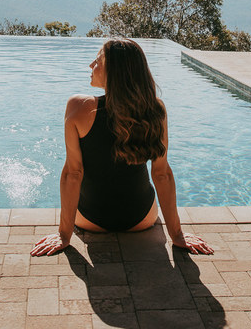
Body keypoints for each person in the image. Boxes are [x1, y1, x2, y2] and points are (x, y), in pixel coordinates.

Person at [31, 38, 213, 256]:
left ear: (113, 71)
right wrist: (177, 235)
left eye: (97, 61)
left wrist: (63, 235)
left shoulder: (78, 106)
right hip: (141, 219)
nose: (91, 65)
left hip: (89, 220)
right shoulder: (154, 110)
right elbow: (161, 174)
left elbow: (73, 173)